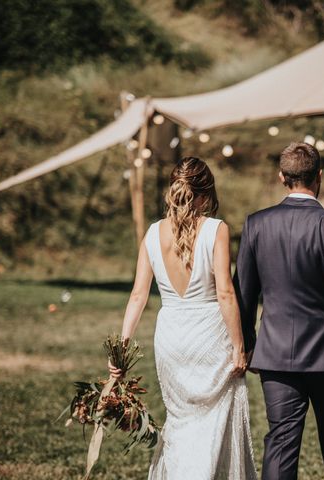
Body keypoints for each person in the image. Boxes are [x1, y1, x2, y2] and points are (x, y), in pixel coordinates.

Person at [108, 156, 257, 479]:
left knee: (180, 423)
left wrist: (121, 349)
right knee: (215, 423)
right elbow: (225, 293)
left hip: (172, 337)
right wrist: (238, 345)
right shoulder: (216, 229)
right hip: (210, 336)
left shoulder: (151, 234)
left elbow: (138, 295)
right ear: (205, 195)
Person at [235, 142, 324, 480]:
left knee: (280, 446)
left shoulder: (256, 224)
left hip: (275, 354)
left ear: (282, 177)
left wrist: (247, 344)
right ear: (320, 176)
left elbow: (244, 293)